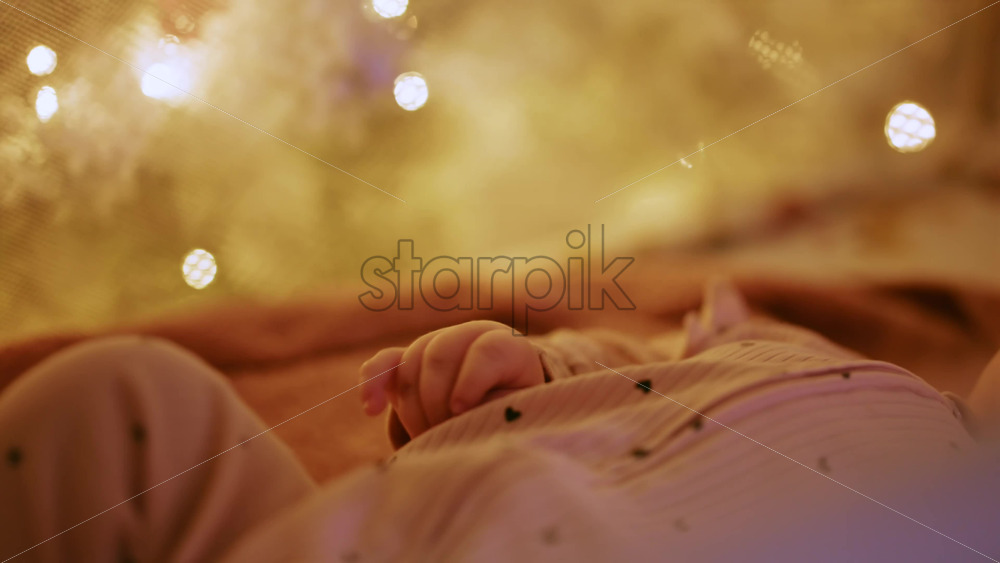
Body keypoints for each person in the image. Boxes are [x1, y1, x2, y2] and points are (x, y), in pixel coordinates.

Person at [1, 280, 998, 562]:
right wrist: (515, 369)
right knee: (125, 396)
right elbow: (634, 368)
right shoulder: (812, 353)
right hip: (361, 524)